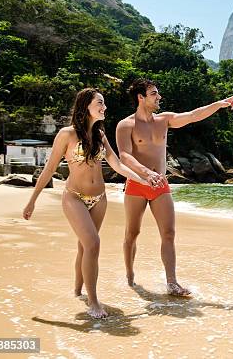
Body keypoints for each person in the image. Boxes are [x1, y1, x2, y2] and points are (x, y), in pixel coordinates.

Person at [23, 88, 148, 318]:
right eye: (100, 103)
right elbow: (49, 169)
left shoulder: (100, 135)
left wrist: (142, 179)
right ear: (85, 106)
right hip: (74, 197)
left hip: (99, 199)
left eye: (104, 104)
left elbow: (117, 165)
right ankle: (93, 302)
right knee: (93, 244)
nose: (104, 107)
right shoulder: (66, 134)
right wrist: (32, 201)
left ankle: (78, 291)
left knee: (85, 246)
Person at [116, 78, 233, 296]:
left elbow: (193, 115)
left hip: (160, 185)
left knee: (169, 233)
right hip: (137, 184)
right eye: (154, 93)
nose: (159, 97)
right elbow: (124, 156)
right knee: (132, 233)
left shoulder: (164, 120)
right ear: (140, 97)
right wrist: (146, 173)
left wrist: (219, 104)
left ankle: (172, 283)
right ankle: (129, 275)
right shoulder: (126, 125)